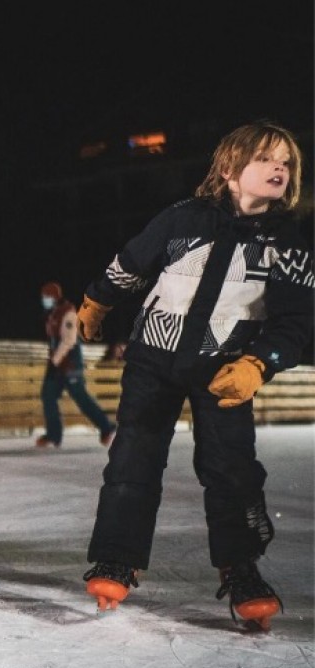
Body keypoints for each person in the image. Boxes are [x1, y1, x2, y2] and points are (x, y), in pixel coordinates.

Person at [78, 122, 312, 629]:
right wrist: (99, 298)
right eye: (265, 158)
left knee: (231, 471)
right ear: (229, 170)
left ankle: (241, 568)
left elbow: (297, 322)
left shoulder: (289, 240)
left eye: (286, 162)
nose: (279, 168)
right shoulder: (184, 218)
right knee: (132, 461)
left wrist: (258, 363)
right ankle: (118, 557)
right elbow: (131, 262)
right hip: (152, 360)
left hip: (225, 369)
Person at [35, 280, 116, 448]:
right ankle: (53, 436)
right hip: (56, 364)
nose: (44, 300)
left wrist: (55, 361)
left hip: (70, 364)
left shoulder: (68, 313)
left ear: (54, 297)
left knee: (82, 399)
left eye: (46, 297)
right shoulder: (52, 314)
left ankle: (107, 428)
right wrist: (54, 362)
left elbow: (69, 340)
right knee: (48, 395)